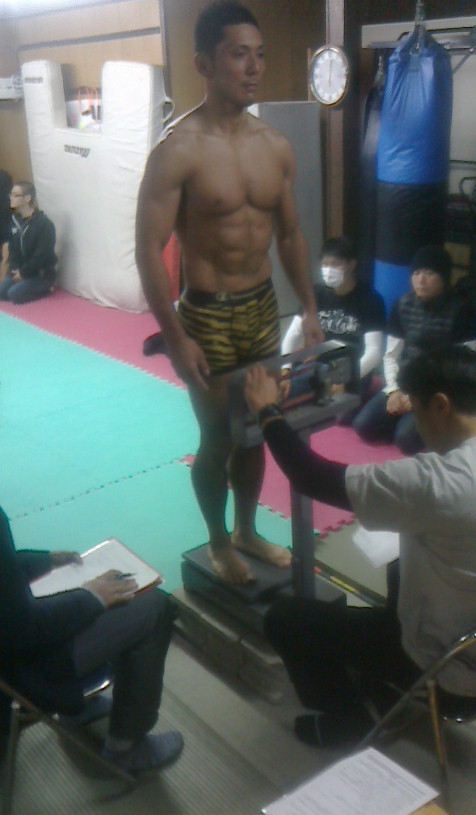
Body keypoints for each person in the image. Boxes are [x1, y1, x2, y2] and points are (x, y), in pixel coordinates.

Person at [135, 1, 323, 585]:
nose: (254, 67)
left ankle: (246, 529)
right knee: (217, 438)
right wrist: (175, 336)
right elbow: (148, 250)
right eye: (239, 54)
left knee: (256, 428)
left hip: (263, 307)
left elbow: (289, 234)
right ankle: (218, 542)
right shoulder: (177, 151)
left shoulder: (274, 145)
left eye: (259, 54)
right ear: (204, 64)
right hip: (207, 315)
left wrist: (310, 308)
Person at [244, 346, 476, 748]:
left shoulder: (441, 481)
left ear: (440, 406)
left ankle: (347, 723)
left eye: (416, 410)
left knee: (285, 620)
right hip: (470, 635)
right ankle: (380, 679)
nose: (417, 425)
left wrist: (267, 411)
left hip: (453, 673)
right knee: (397, 569)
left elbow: (311, 475)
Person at [0, 509, 184, 774]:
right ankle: (126, 746)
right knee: (153, 607)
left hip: (12, 658)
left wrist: (42, 562)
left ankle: (77, 707)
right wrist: (91, 598)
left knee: (97, 598)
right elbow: (24, 630)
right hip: (20, 672)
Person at [353, 245, 476, 454]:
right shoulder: (402, 305)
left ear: (444, 278)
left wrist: (417, 399)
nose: (421, 280)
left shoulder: (462, 311)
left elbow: (462, 368)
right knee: (363, 427)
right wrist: (394, 390)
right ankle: (403, 417)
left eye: (429, 273)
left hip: (438, 389)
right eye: (417, 273)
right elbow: (391, 355)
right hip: (406, 382)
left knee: (405, 440)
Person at [282, 236, 385, 408]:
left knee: (337, 411)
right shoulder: (316, 293)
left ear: (351, 265)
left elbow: (374, 352)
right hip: (320, 366)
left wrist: (347, 379)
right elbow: (293, 333)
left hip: (355, 369)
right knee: (282, 394)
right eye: (325, 264)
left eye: (336, 265)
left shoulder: (371, 300)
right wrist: (285, 370)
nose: (329, 270)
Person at [0, 181, 57, 305]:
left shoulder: (44, 224)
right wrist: (15, 270)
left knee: (14, 295)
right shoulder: (15, 221)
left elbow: (42, 255)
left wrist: (24, 273)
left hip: (40, 273)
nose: (11, 198)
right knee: (2, 292)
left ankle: (47, 288)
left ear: (27, 198)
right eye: (11, 195)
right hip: (21, 271)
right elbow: (13, 249)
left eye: (16, 195)